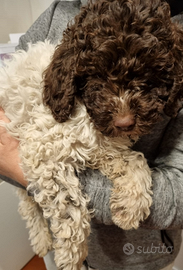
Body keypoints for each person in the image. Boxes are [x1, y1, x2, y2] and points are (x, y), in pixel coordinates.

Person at [1, 1, 183, 270]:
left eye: (144, 82)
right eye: (99, 81)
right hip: (58, 237)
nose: (124, 118)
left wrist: (19, 166)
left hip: (140, 257)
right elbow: (10, 106)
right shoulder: (58, 13)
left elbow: (178, 196)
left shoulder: (172, 40)